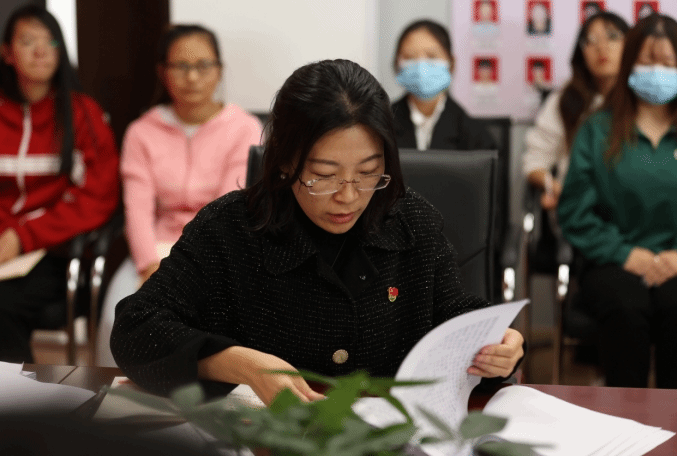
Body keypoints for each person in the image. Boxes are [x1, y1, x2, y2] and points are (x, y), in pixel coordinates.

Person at [111, 59, 524, 404]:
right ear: (285, 161)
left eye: (368, 172)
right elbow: (137, 329)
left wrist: (498, 346)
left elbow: (452, 315)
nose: (348, 196)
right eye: (325, 176)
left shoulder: (411, 221)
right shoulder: (230, 229)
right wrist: (242, 364)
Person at [95, 24, 262, 367]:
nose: (192, 77)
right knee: (117, 319)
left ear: (219, 70)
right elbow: (137, 208)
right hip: (155, 250)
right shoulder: (141, 131)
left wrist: (193, 267)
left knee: (212, 327)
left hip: (218, 251)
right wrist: (149, 265)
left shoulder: (244, 128)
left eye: (203, 65)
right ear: (163, 72)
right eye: (181, 66)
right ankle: (115, 395)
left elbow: (226, 209)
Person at [557, 14, 677, 389]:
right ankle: (626, 413)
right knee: (627, 307)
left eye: (668, 63)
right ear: (628, 65)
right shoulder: (597, 129)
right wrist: (624, 253)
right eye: (646, 61)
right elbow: (574, 211)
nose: (657, 72)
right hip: (612, 261)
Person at [0, 5, 119, 362]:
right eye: (28, 41)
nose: (41, 51)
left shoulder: (83, 113)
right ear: (7, 53)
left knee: (2, 307)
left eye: (50, 41)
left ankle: (21, 395)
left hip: (54, 252)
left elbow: (97, 197)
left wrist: (22, 236)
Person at [523, 11, 628, 210]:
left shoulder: (642, 99)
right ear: (581, 52)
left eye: (612, 36)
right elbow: (535, 161)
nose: (602, 47)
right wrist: (558, 189)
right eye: (591, 40)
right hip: (578, 207)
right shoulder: (565, 100)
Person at [391, 20, 497, 151]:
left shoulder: (475, 135)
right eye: (410, 57)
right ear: (397, 64)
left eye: (432, 56)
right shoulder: (380, 125)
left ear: (451, 63)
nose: (421, 67)